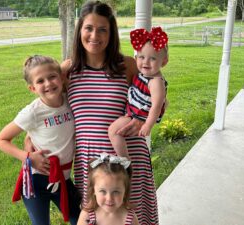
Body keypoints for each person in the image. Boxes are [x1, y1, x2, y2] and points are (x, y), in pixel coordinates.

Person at [61, 1, 159, 224]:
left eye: (102, 29)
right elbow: (48, 108)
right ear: (80, 31)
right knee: (95, 218)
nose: (95, 35)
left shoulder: (127, 65)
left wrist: (143, 120)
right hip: (91, 162)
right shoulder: (68, 70)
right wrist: (30, 138)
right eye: (89, 28)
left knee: (132, 218)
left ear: (111, 33)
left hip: (129, 159)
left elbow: (158, 100)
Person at [0, 55, 81, 225]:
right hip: (36, 181)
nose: (48, 84)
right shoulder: (32, 112)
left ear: (62, 77)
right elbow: (0, 140)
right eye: (40, 81)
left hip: (63, 179)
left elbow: (71, 62)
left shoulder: (70, 100)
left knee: (80, 219)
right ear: (32, 88)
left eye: (52, 77)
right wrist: (28, 157)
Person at [108, 27, 169, 158]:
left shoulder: (155, 82)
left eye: (152, 58)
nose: (145, 62)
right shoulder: (143, 75)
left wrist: (148, 124)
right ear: (136, 58)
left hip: (139, 116)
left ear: (163, 61)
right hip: (133, 112)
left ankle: (124, 160)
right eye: (142, 57)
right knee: (114, 131)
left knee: (113, 131)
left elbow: (157, 106)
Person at [77, 153, 139, 225]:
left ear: (125, 191)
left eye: (116, 191)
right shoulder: (87, 215)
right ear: (93, 190)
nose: (109, 198)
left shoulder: (130, 218)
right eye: (103, 191)